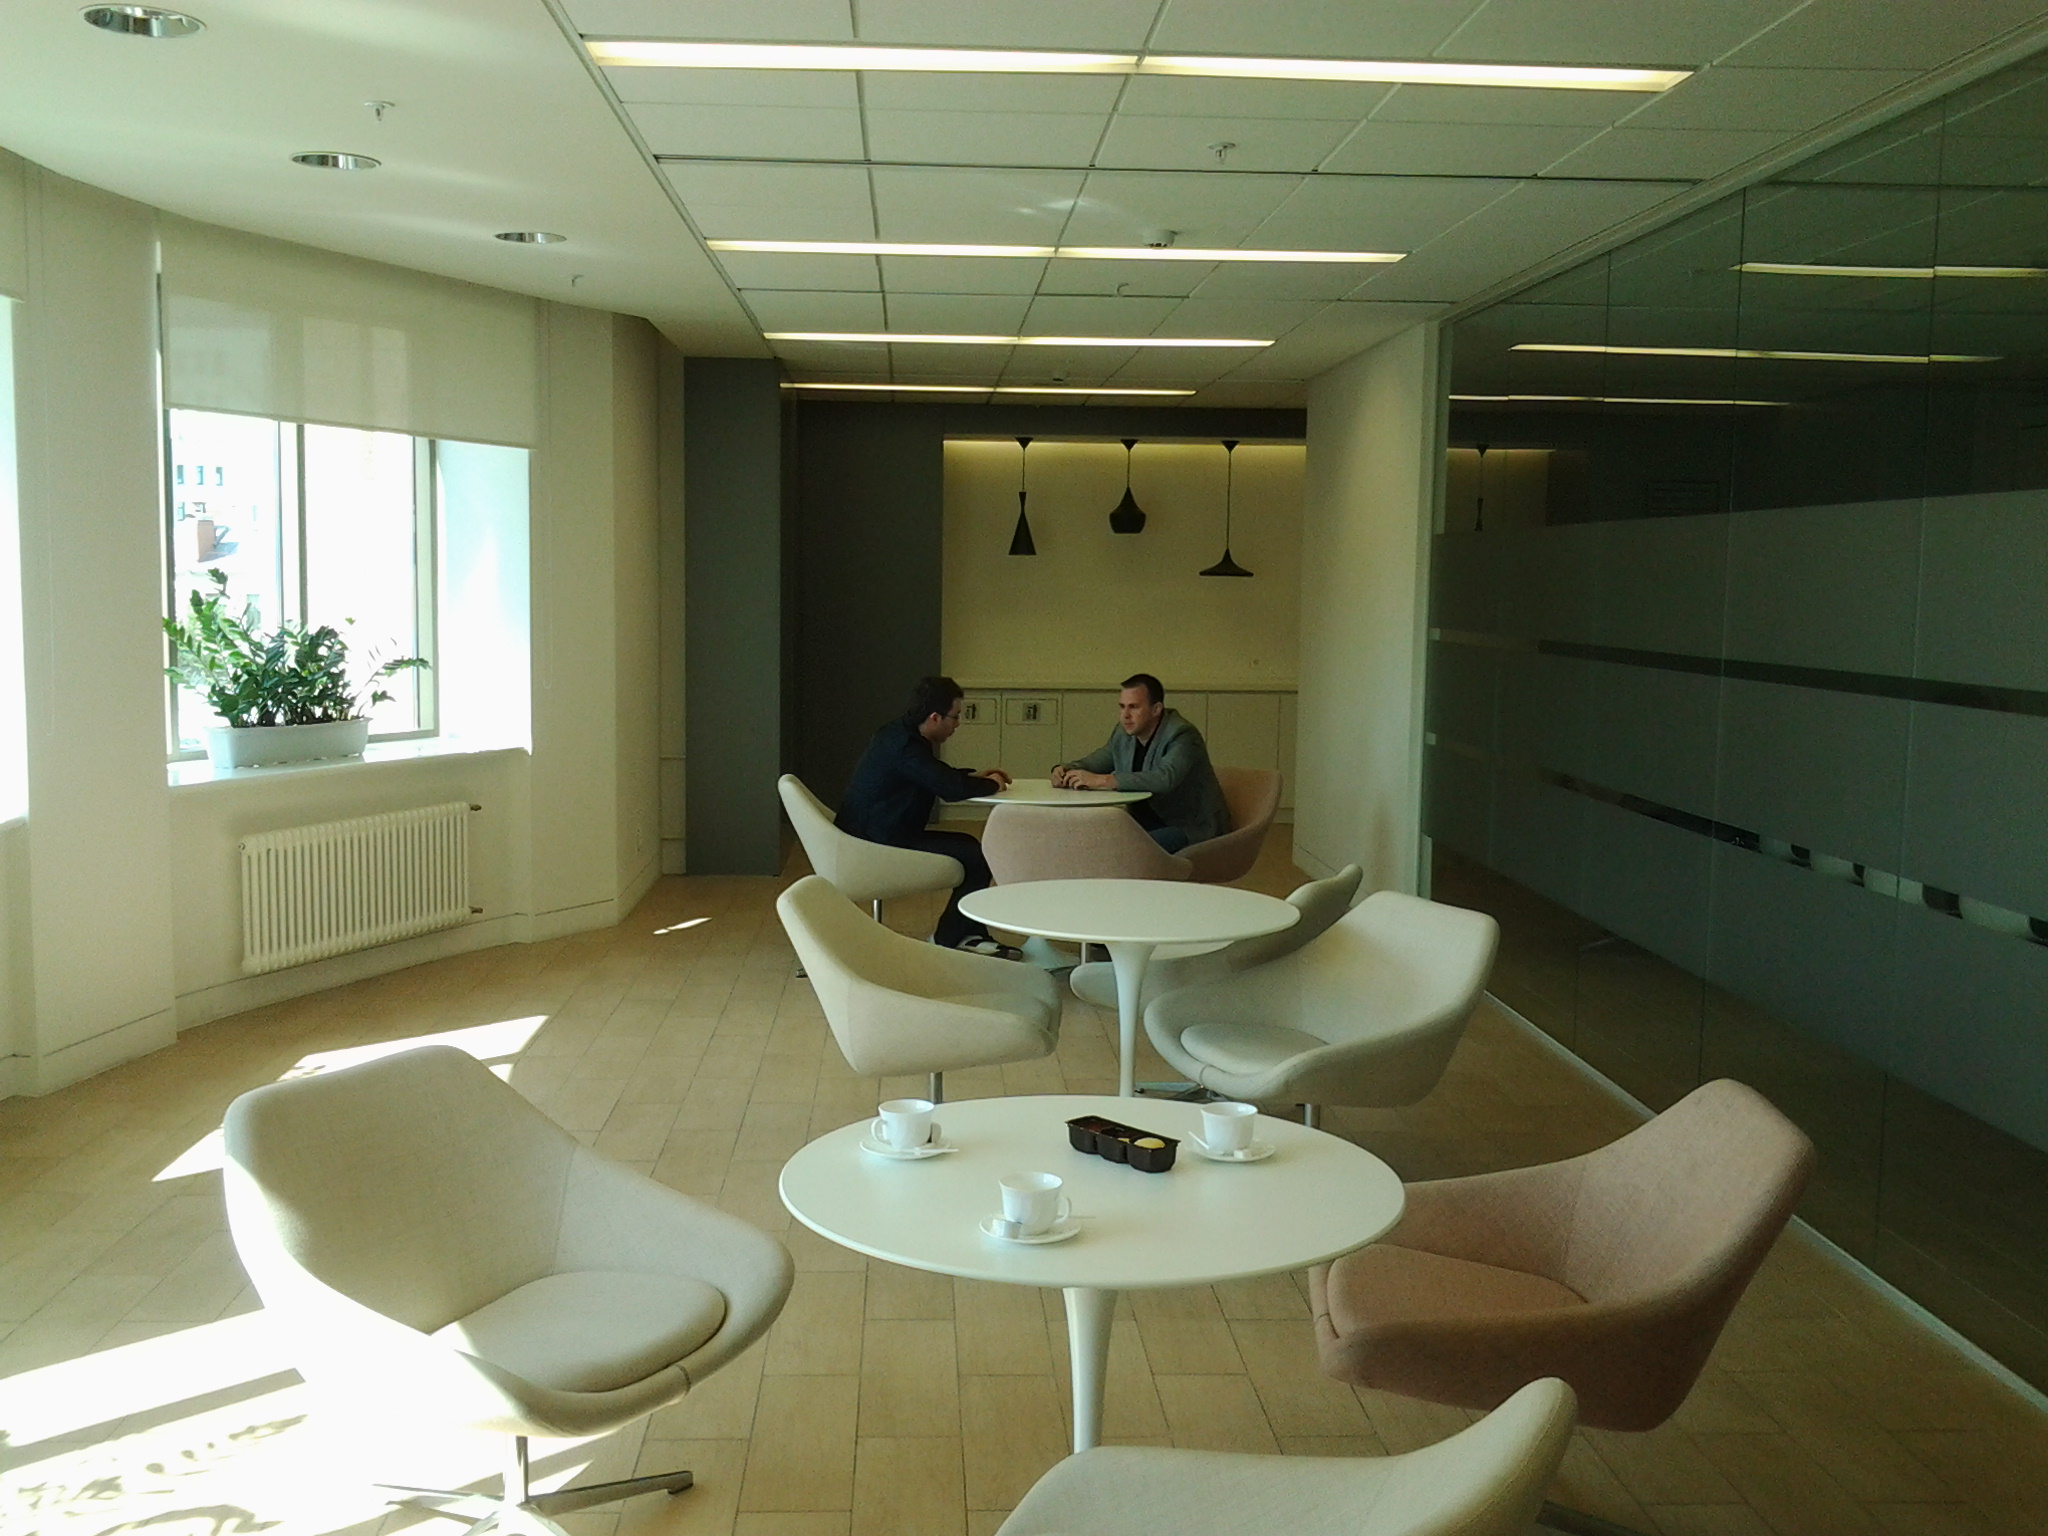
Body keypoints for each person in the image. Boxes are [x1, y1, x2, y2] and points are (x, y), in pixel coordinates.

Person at [837, 676, 1018, 957]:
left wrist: (975, 778)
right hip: (876, 841)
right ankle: (949, 938)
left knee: (972, 850)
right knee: (976, 855)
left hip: (872, 830)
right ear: (935, 717)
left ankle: (968, 933)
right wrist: (991, 784)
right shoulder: (905, 746)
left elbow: (932, 774)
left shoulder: (899, 734)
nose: (958, 724)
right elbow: (949, 789)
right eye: (955, 717)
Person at [1052, 673, 1229, 853]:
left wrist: (1103, 780)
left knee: (1126, 851)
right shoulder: (1124, 732)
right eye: (1122, 707)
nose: (1125, 715)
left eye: (1134, 707)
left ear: (1156, 709)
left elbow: (1165, 778)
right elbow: (1100, 759)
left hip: (1188, 828)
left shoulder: (1182, 734)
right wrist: (1066, 769)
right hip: (1143, 824)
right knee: (1090, 841)